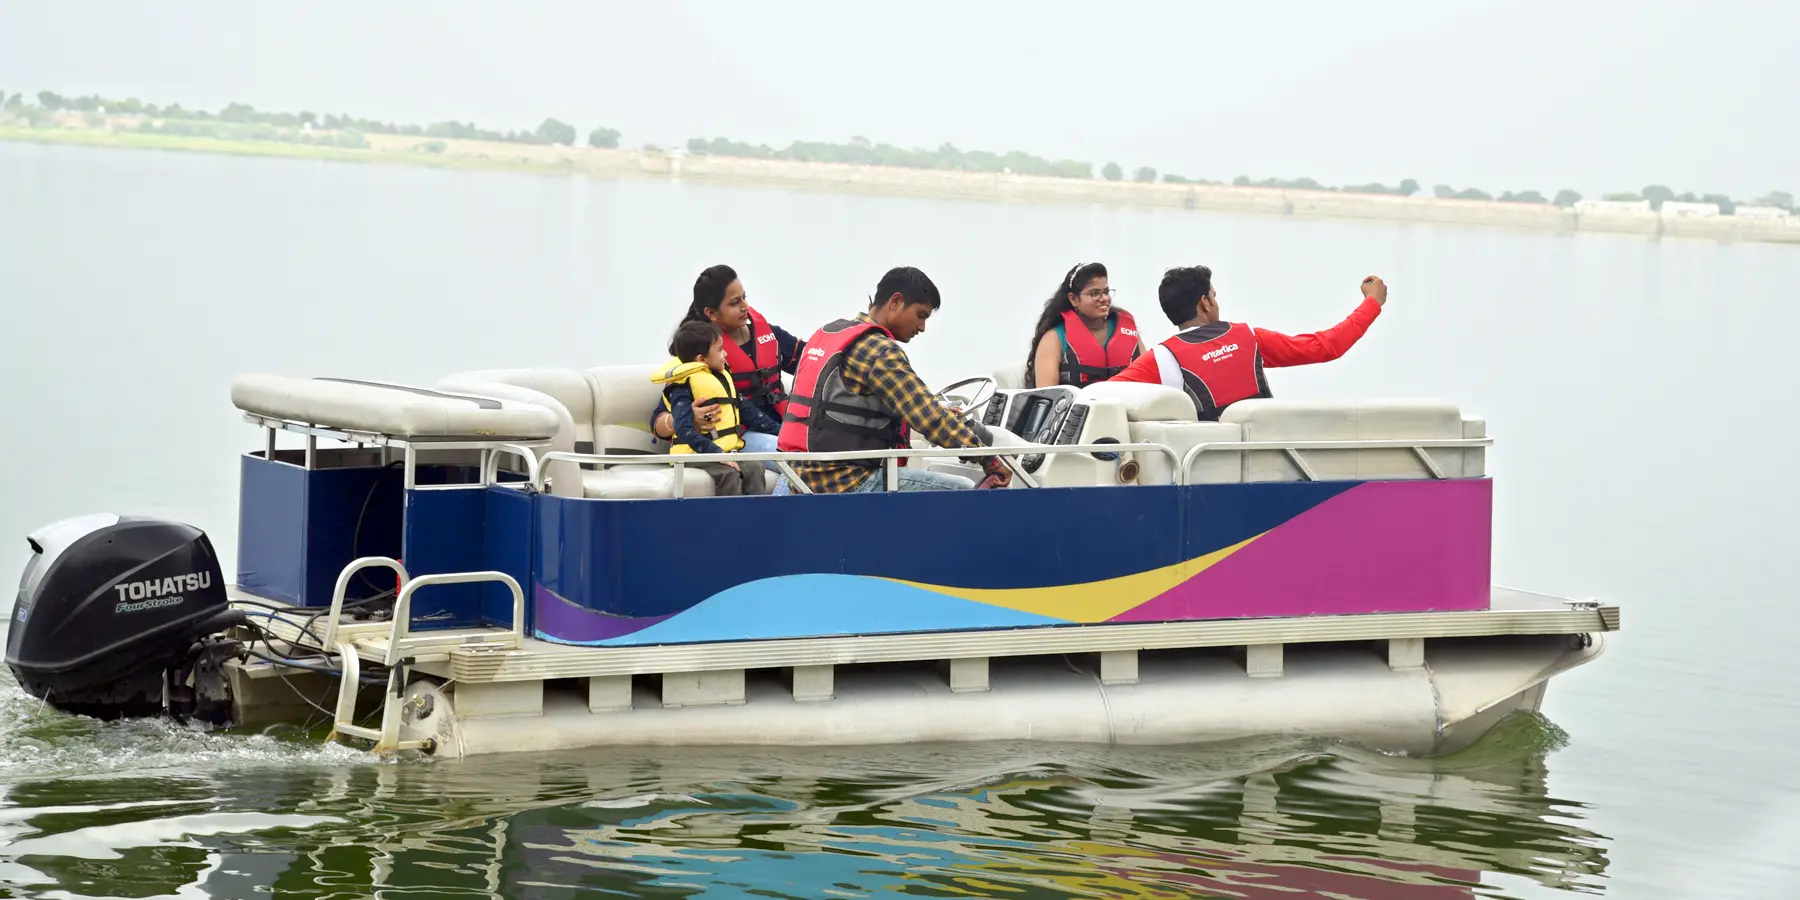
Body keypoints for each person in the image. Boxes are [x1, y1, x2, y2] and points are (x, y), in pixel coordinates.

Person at [778, 266, 1013, 493]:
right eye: (920, 315)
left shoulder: (830, 334)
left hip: (804, 478)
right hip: (845, 483)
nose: (922, 328)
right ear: (896, 301)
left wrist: (945, 417)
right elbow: (928, 416)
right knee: (962, 489)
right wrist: (987, 458)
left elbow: (857, 409)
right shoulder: (878, 350)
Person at [1109, 266, 1388, 420]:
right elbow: (1327, 346)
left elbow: (1101, 394)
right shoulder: (1247, 337)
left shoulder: (1159, 359)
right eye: (1214, 296)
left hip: (1201, 468)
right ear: (1204, 303)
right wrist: (1372, 302)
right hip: (1263, 459)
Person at [650, 264, 805, 491]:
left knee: (826, 454)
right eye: (734, 303)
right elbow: (657, 421)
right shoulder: (699, 356)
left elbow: (814, 364)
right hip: (740, 437)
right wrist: (685, 418)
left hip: (780, 427)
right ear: (711, 313)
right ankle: (774, 521)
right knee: (800, 461)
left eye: (744, 298)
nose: (745, 307)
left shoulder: (770, 336)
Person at [650, 321, 776, 496]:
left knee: (754, 467)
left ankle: (756, 519)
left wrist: (782, 432)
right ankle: (726, 520)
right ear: (701, 359)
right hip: (696, 455)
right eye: (719, 350)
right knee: (729, 474)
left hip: (722, 452)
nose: (725, 353)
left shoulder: (722, 378)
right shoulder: (681, 385)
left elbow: (751, 414)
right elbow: (683, 429)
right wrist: (717, 454)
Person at [1024, 261, 1148, 388]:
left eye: (1106, 292)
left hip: (1127, 406)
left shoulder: (1128, 331)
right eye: (1094, 293)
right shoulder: (1054, 338)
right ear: (1073, 299)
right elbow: (1047, 396)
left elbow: (1150, 377)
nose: (1104, 298)